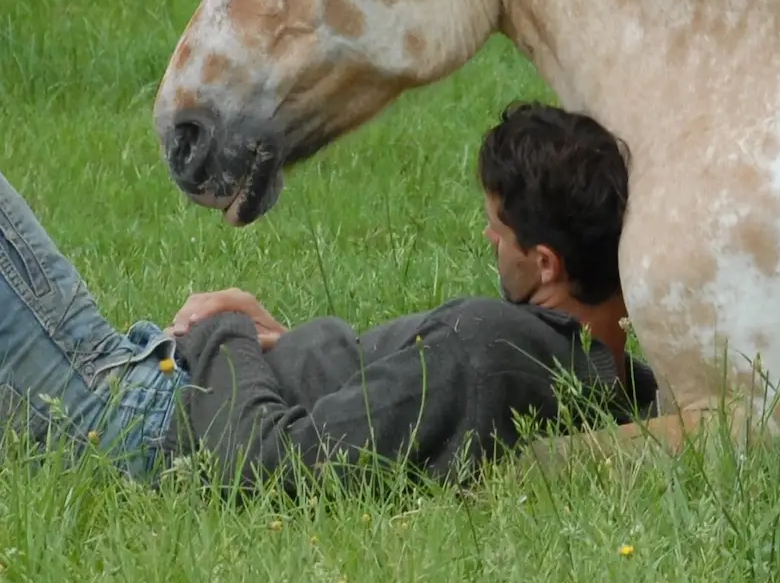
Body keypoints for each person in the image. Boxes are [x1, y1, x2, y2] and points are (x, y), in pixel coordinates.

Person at [0, 103, 656, 485]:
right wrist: (284, 344)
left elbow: (260, 459)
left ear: (544, 262)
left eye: (497, 228)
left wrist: (223, 331)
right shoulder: (625, 383)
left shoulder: (485, 349)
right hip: (167, 389)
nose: (487, 238)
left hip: (140, 417)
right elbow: (367, 410)